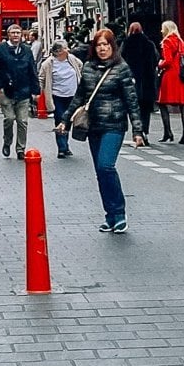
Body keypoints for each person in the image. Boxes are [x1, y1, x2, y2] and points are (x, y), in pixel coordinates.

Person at [71, 26, 145, 232]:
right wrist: (64, 120)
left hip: (114, 125)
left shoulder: (121, 68)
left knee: (106, 166)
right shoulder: (88, 67)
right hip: (93, 125)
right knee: (100, 172)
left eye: (106, 44)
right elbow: (80, 97)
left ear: (113, 46)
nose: (102, 49)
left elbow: (132, 101)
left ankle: (119, 213)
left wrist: (138, 131)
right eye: (99, 45)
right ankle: (110, 215)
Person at [0, 21, 40, 159]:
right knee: (9, 119)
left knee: (23, 121)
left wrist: (35, 90)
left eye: (18, 33)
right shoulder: (2, 49)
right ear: (8, 35)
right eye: (13, 33)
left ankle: (20, 149)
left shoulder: (26, 50)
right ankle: (7, 141)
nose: (16, 35)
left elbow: (32, 69)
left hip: (23, 90)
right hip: (7, 91)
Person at [39, 39, 82, 157]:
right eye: (65, 48)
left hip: (73, 95)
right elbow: (41, 78)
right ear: (58, 52)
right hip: (57, 96)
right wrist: (38, 92)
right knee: (60, 120)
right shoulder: (48, 64)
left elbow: (80, 67)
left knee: (68, 121)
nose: (68, 50)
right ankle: (62, 148)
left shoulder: (72, 59)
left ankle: (66, 145)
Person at [156, 18, 184, 145]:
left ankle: (168, 132)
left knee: (162, 104)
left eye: (163, 28)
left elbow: (167, 60)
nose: (161, 30)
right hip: (183, 75)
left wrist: (159, 64)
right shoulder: (181, 41)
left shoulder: (167, 41)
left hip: (171, 76)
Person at [123, 21, 159, 139]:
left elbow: (121, 61)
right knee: (145, 109)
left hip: (132, 81)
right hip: (147, 81)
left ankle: (137, 131)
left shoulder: (127, 43)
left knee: (134, 108)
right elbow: (156, 59)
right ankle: (145, 131)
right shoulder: (149, 44)